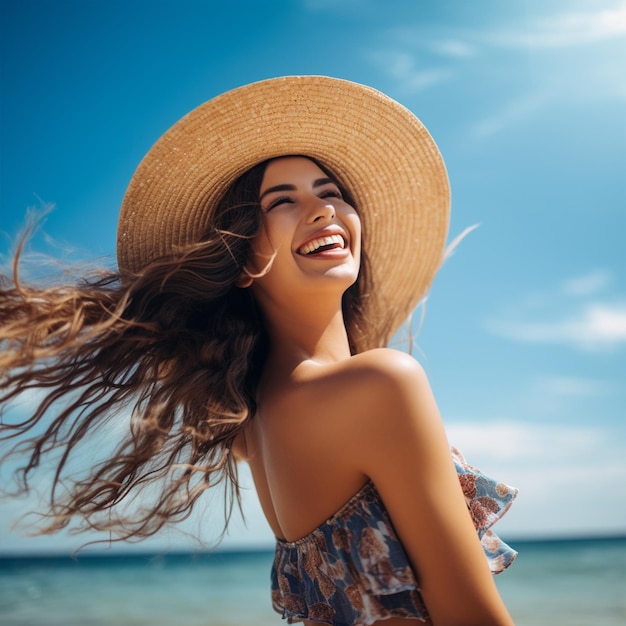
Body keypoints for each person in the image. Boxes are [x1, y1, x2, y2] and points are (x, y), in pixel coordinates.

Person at [0, 76, 518, 625]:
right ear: (244, 261)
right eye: (283, 201)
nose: (322, 210)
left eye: (330, 191)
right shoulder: (381, 384)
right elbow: (469, 614)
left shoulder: (251, 424)